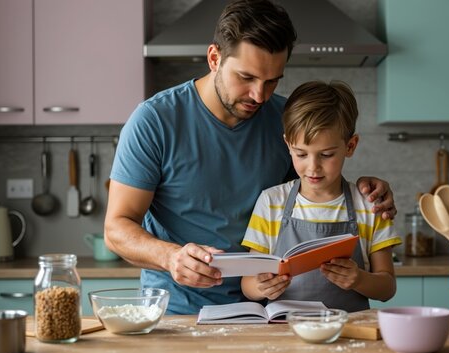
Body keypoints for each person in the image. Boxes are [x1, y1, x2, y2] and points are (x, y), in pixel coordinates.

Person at [105, 0, 397, 315]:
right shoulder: (155, 120)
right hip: (178, 311)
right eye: (246, 77)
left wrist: (366, 188)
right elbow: (117, 228)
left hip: (263, 311)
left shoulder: (283, 119)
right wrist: (170, 257)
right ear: (214, 58)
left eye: (272, 80)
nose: (260, 95)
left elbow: (312, 188)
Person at [240, 81, 401, 312]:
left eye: (326, 154)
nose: (313, 167)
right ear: (288, 144)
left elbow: (388, 288)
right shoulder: (271, 202)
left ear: (351, 146)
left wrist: (359, 280)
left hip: (349, 334)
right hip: (285, 334)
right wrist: (261, 287)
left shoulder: (370, 205)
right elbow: (248, 284)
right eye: (301, 154)